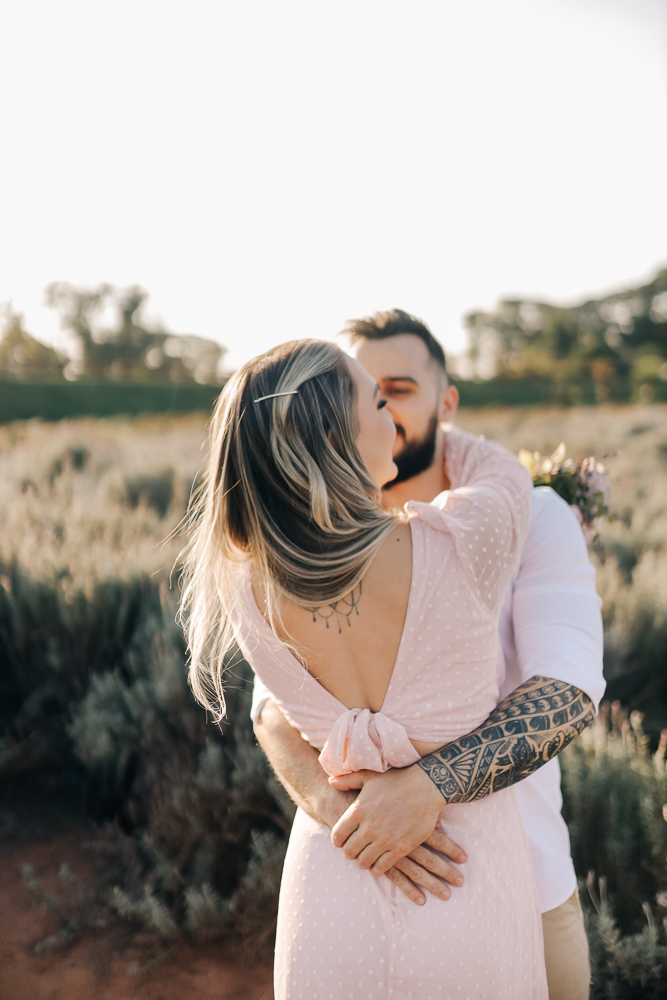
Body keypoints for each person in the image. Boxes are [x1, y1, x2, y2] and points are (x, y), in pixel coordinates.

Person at [181, 336, 574, 998]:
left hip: (336, 875)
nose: (391, 416)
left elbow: (271, 715)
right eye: (376, 399)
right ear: (336, 439)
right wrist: (434, 405)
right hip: (463, 878)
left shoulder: (242, 585)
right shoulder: (461, 541)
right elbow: (502, 469)